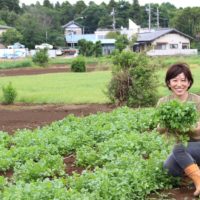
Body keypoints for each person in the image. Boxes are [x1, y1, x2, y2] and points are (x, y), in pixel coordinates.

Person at [157, 63, 200, 196]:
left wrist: (189, 127)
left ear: (189, 83)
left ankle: (198, 181)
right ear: (169, 83)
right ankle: (194, 170)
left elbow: (198, 133)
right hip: (182, 149)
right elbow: (160, 128)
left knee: (178, 147)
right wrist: (163, 126)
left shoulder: (197, 101)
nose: (179, 84)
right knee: (169, 169)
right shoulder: (163, 102)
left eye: (183, 80)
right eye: (175, 80)